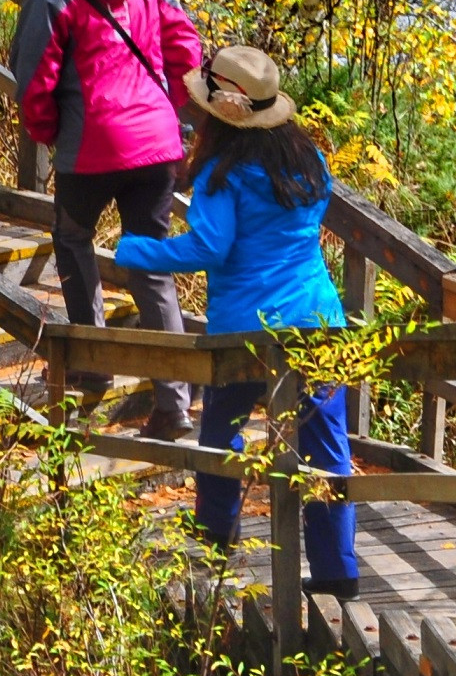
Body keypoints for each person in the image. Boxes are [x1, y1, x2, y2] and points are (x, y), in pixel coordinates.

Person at [115, 45, 361, 600]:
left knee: (221, 435)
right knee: (327, 448)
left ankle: (215, 541)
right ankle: (337, 571)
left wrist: (135, 250)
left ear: (217, 113)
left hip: (249, 329)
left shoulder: (223, 175)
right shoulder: (308, 161)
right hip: (319, 319)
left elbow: (209, 244)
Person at [10, 0, 200, 439]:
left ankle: (91, 364)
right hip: (157, 145)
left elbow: (34, 83)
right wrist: (168, 104)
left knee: (71, 240)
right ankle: (175, 404)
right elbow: (185, 44)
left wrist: (50, 134)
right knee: (149, 262)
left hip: (91, 147)